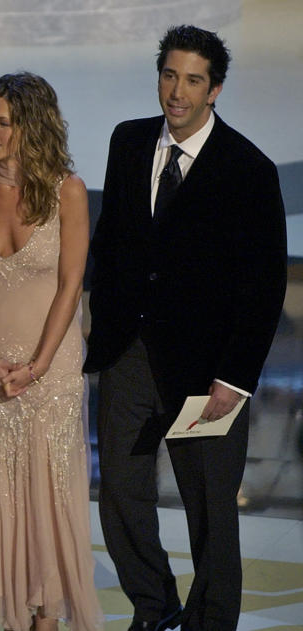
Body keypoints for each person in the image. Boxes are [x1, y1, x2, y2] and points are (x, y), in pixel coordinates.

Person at [84, 25, 286, 631]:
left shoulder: (249, 168)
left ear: (215, 90)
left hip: (208, 372)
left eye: (192, 80)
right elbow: (113, 243)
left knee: (210, 509)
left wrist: (235, 378)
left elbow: (264, 285)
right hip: (128, 356)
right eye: (169, 75)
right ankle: (154, 604)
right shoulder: (128, 141)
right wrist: (101, 329)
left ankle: (212, 620)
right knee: (120, 494)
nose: (177, 91)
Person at [0, 72, 102, 631]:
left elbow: (70, 284)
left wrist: (37, 366)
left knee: (49, 507)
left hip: (50, 370)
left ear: (31, 128)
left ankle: (46, 620)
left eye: (3, 122)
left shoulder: (68, 191)